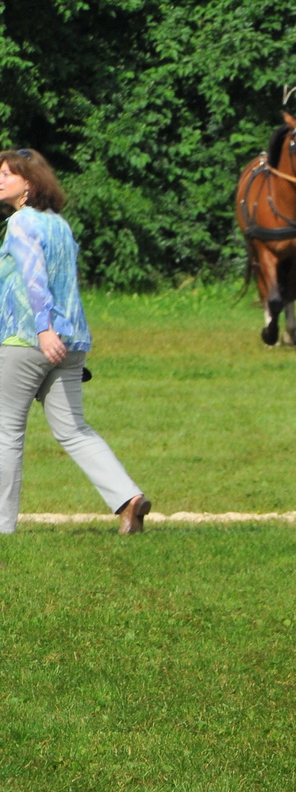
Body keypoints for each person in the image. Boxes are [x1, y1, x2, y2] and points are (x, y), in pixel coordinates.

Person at [0, 150, 149, 534]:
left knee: (6, 429)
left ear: (29, 183)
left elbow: (35, 278)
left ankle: (2, 526)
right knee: (73, 429)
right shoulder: (59, 224)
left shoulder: (21, 222)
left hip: (29, 339)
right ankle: (129, 498)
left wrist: (44, 329)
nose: (0, 180)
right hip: (72, 341)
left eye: (7, 174)